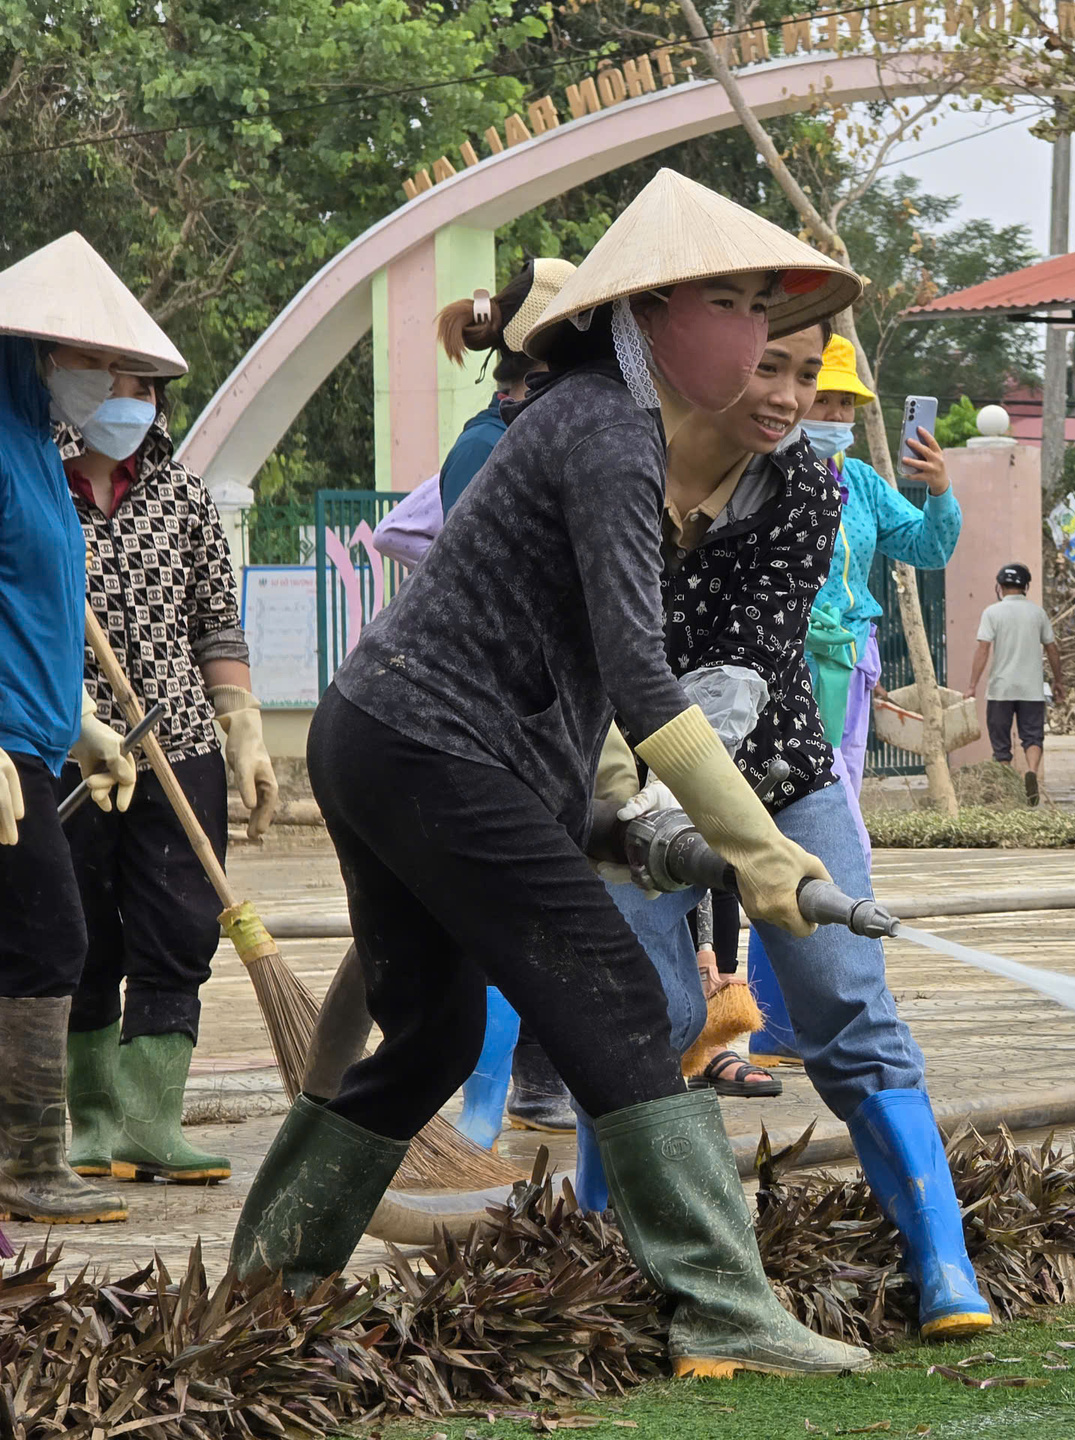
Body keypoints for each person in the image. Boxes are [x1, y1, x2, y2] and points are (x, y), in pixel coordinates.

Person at [227, 170, 873, 1380]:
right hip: (429, 747)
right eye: (727, 305)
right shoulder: (608, 431)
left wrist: (615, 817)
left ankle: (263, 1295)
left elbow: (569, 687)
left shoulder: (599, 425)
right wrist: (761, 851)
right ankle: (726, 1307)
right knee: (620, 1005)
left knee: (426, 1042)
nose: (751, 336)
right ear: (649, 317)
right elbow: (640, 676)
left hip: (385, 736)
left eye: (757, 308)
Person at [577, 318, 995, 1343]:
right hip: (613, 785)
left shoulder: (811, 486)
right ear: (693, 357)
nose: (791, 395)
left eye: (806, 375)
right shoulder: (603, 470)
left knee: (849, 1002)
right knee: (644, 1020)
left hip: (780, 768)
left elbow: (748, 653)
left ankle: (940, 1259)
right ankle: (595, 1246)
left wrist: (732, 827)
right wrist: (633, 801)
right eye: (770, 368)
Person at [57, 367, 277, 1188]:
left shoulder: (183, 496)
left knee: (181, 925)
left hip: (178, 740)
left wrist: (244, 728)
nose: (127, 400)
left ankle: (151, 1123)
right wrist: (75, 722)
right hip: (70, 744)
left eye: (143, 386)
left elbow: (216, 620)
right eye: (109, 381)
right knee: (77, 930)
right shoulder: (39, 487)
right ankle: (93, 1120)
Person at [0, 232, 168, 1225]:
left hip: (32, 734)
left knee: (30, 942)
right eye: (93, 361)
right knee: (50, 939)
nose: (109, 382)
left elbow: (34, 615)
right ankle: (27, 1165)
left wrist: (83, 723)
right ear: (38, 348)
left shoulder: (34, 447)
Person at [743, 335, 958, 1065]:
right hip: (788, 662)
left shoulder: (861, 481)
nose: (829, 410)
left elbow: (927, 549)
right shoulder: (761, 469)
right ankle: (783, 1016)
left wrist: (938, 490)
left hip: (853, 662)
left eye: (842, 401)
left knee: (833, 829)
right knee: (806, 829)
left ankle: (791, 1020)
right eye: (822, 396)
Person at [430, 257, 585, 1144]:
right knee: (508, 903)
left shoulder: (536, 434)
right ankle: (488, 1102)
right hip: (496, 708)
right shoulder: (490, 449)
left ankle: (536, 1074)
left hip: (551, 710)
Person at [967, 562, 1066, 804]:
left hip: (1001, 688)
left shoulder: (992, 612)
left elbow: (983, 649)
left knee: (1001, 742)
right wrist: (1058, 680)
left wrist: (972, 684)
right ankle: (1031, 771)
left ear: (1000, 586)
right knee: (1032, 737)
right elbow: (1052, 650)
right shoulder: (1037, 613)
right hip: (1031, 688)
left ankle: (1007, 781)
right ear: (1026, 587)